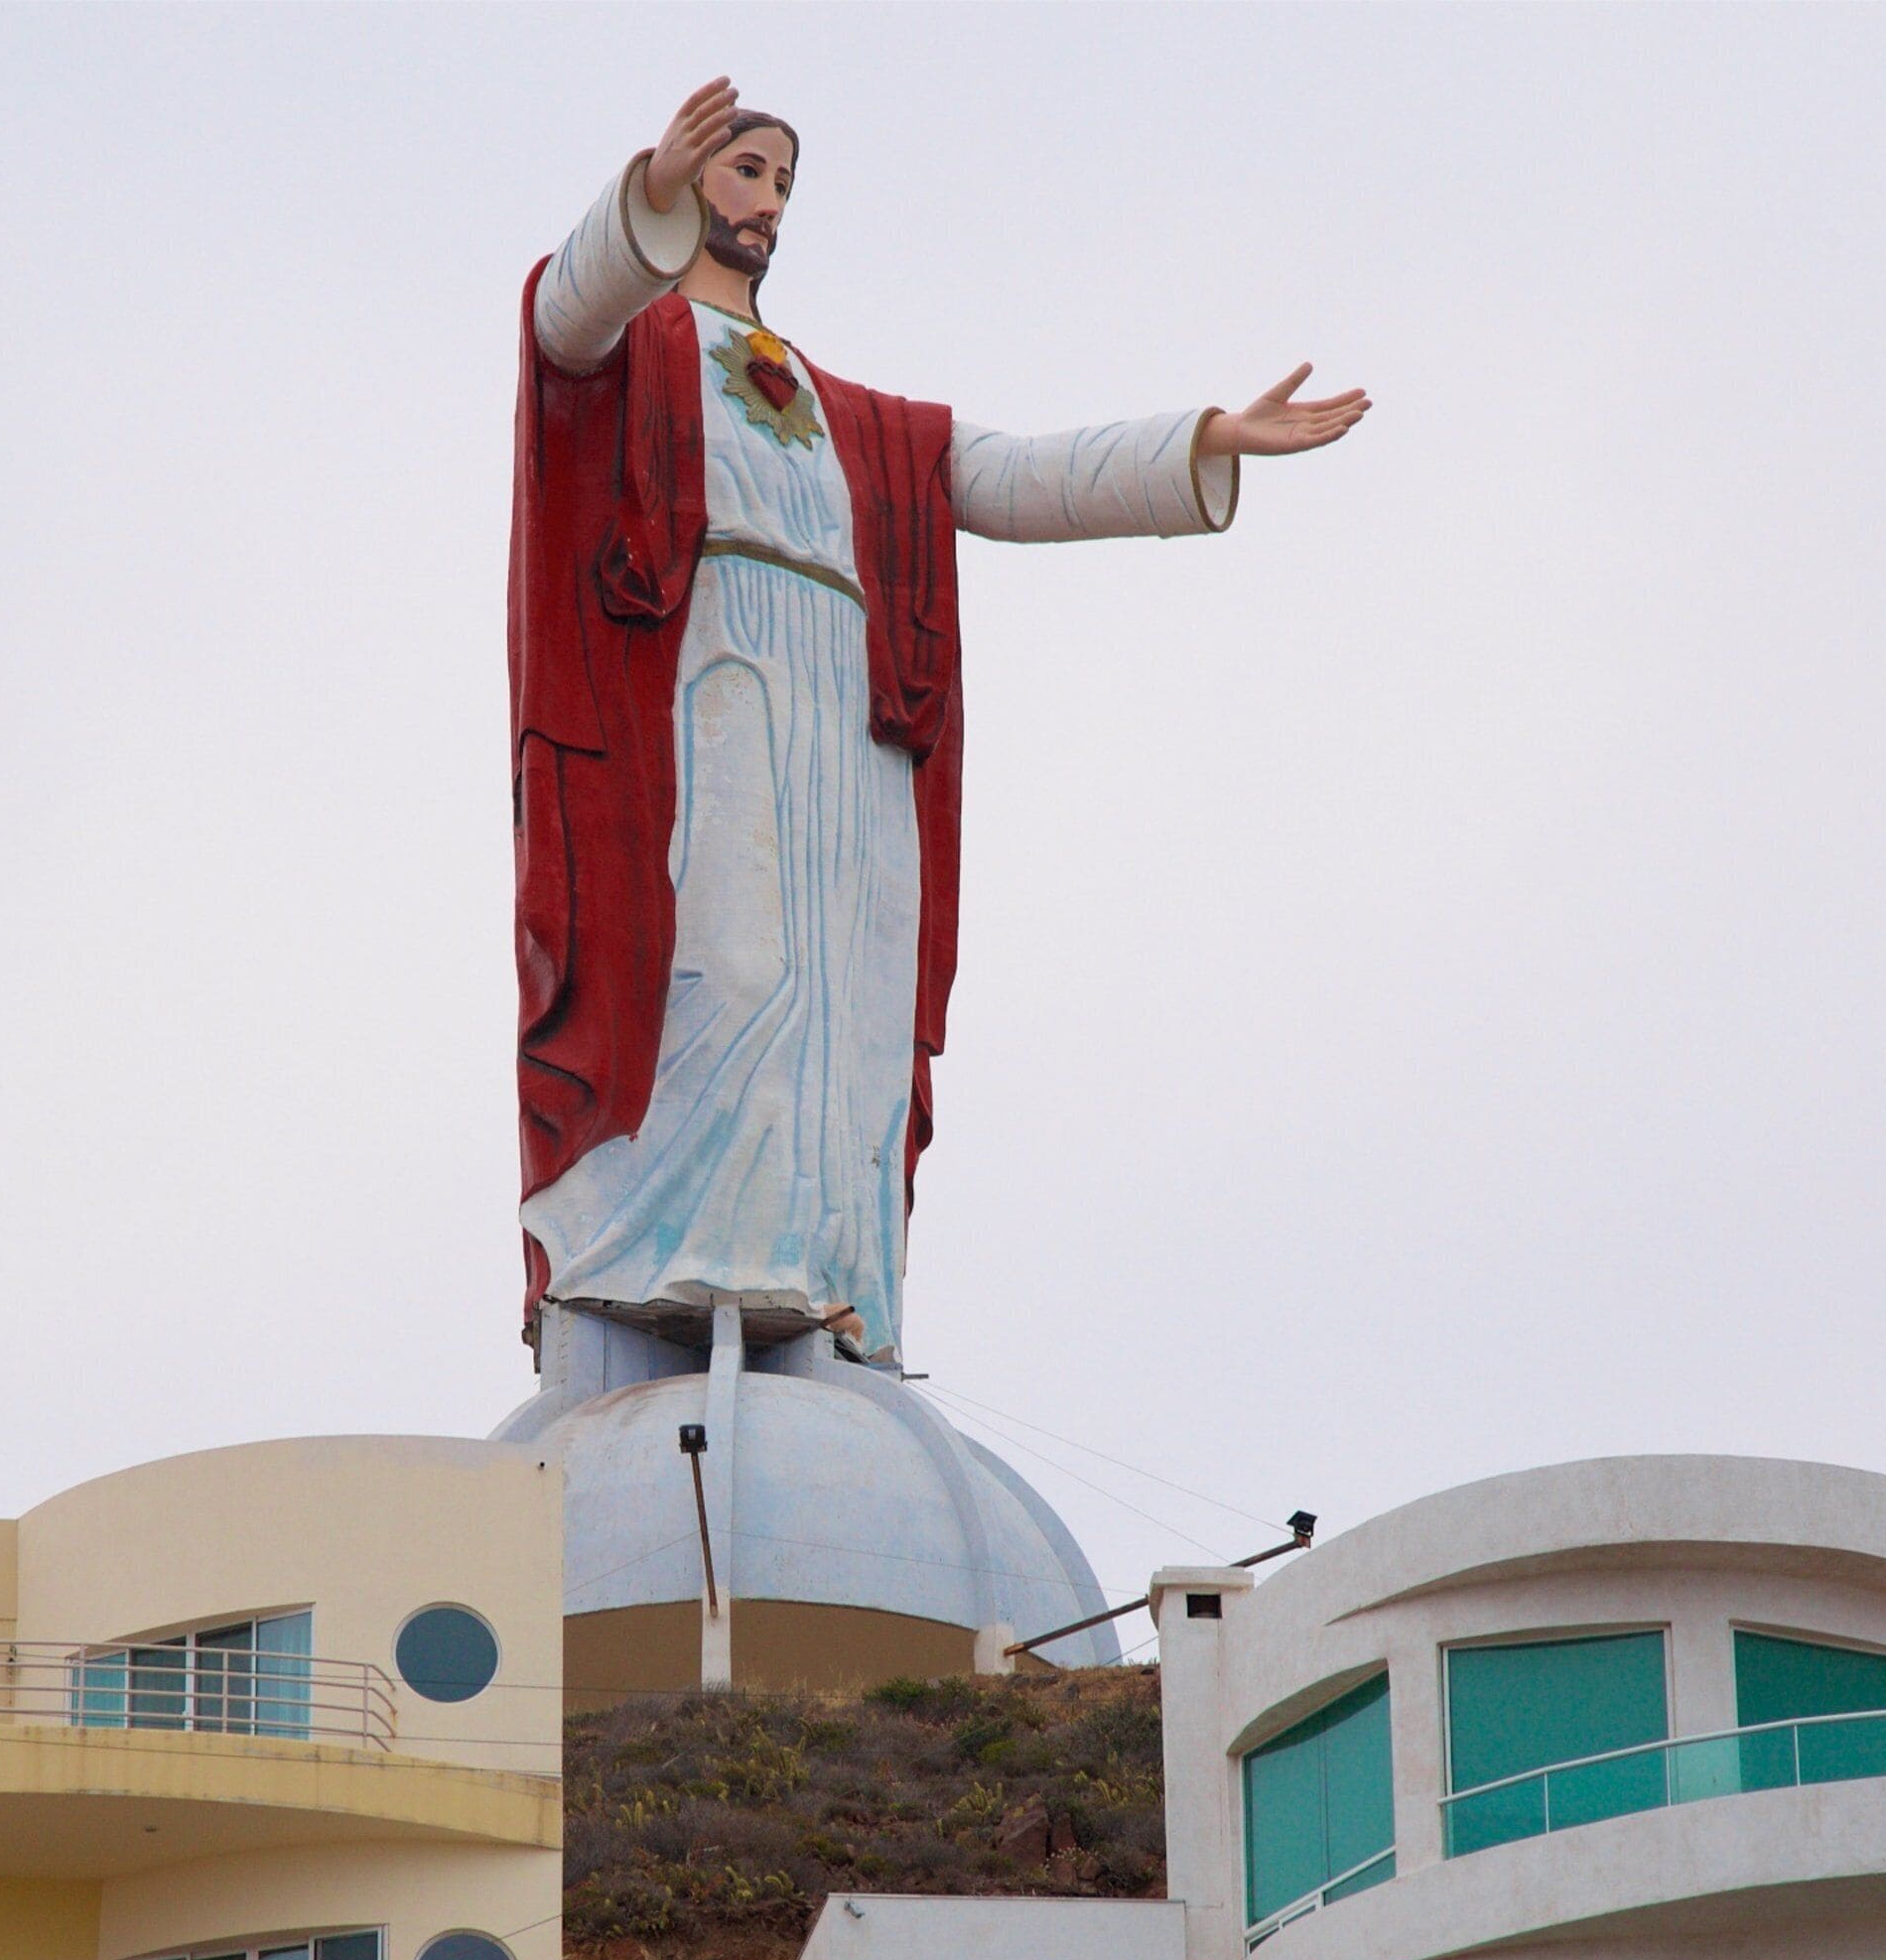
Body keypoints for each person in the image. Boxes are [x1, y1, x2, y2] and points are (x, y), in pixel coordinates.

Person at [511, 78, 1364, 1366]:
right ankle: (688, 1247)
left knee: (846, 993)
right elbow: (561, 319)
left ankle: (818, 1262)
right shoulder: (643, 340)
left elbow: (1008, 474)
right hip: (721, 665)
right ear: (695, 182)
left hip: (848, 703)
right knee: (730, 964)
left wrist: (1203, 440)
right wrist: (643, 197)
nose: (764, 203)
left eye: (782, 185)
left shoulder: (856, 420)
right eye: (744, 173)